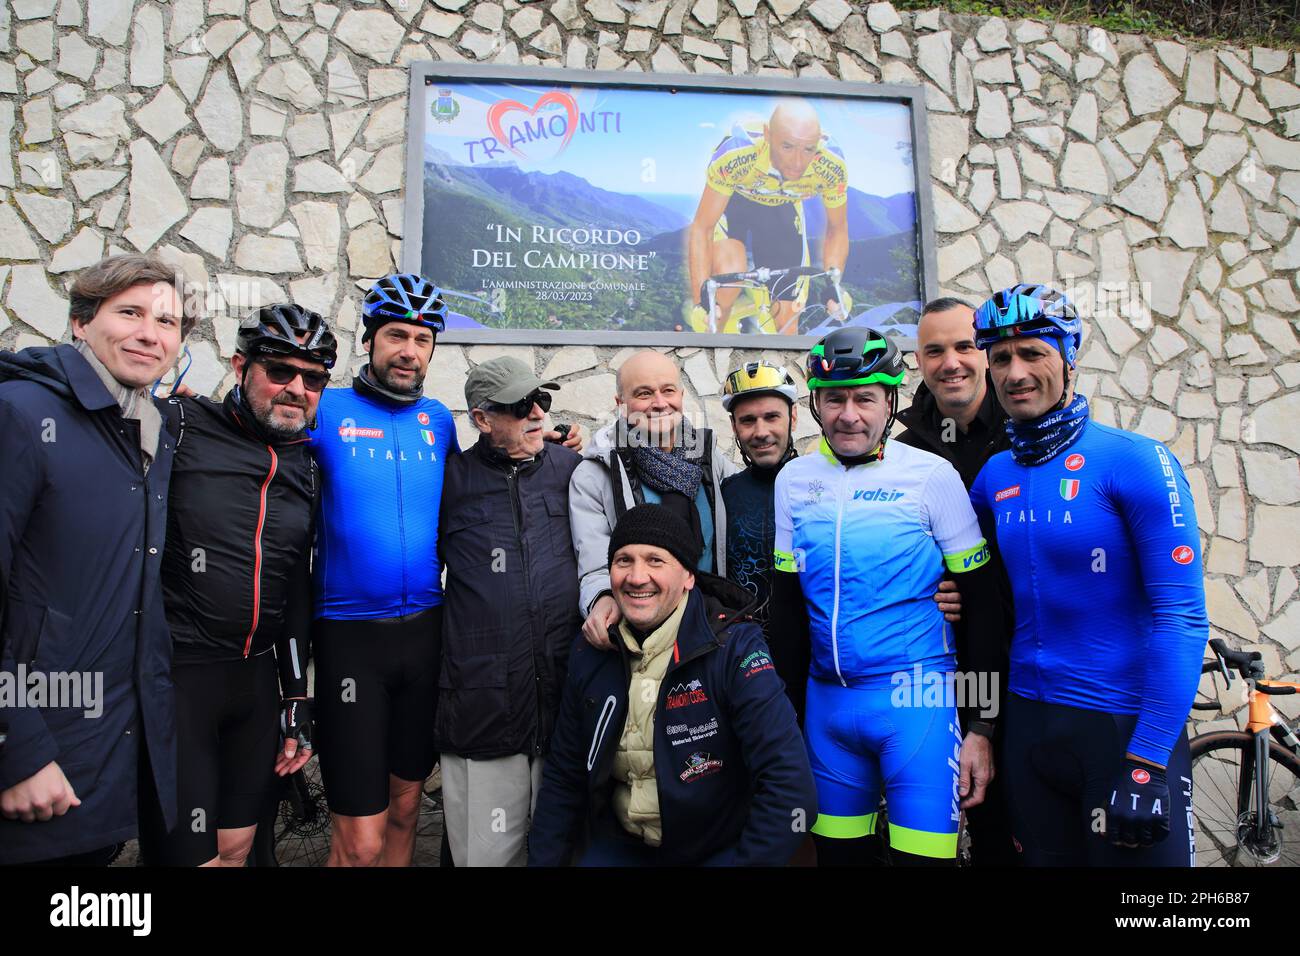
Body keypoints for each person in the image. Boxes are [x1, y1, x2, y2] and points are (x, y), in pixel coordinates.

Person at [309, 273, 580, 867]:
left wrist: (551, 437)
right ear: (371, 340)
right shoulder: (326, 410)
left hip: (424, 636)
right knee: (359, 838)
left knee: (406, 810)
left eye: (423, 339)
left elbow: (497, 467)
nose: (410, 350)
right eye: (397, 336)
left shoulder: (436, 422)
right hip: (348, 638)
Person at [967, 284, 1208, 866]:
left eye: (1033, 353)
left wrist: (1148, 759)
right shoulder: (994, 474)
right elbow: (976, 587)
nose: (1014, 372)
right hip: (1028, 727)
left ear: (1069, 357)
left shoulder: (1137, 461)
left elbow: (1183, 617)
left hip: (1121, 728)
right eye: (1000, 358)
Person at [770, 327, 1006, 867]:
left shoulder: (931, 476)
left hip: (917, 707)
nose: (848, 414)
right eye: (835, 399)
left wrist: (982, 726)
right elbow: (786, 607)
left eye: (864, 398)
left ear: (890, 401)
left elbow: (984, 605)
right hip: (827, 708)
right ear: (815, 403)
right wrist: (785, 716)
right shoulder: (793, 480)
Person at [0, 254, 191, 865]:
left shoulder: (147, 428)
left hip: (102, 753)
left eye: (167, 321)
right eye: (129, 312)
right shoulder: (21, 415)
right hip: (36, 757)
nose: (149, 333)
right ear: (81, 322)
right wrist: (17, 751)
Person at [137, 304, 332, 867]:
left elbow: (295, 582)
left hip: (255, 686)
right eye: (279, 371)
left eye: (313, 377)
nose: (296, 387)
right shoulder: (176, 424)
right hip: (179, 680)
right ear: (240, 364)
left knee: (238, 851)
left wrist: (296, 698)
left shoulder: (305, 463)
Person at [528, 504, 816, 866]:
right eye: (623, 561)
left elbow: (790, 789)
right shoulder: (592, 650)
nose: (637, 577)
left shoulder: (734, 649)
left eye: (655, 561)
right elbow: (564, 778)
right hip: (621, 844)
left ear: (688, 576)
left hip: (717, 850)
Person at [721, 360, 963, 722]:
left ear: (794, 418)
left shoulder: (822, 482)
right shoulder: (723, 493)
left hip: (822, 672)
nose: (761, 431)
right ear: (734, 428)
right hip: (743, 668)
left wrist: (953, 586)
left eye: (772, 417)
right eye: (747, 420)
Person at [436, 357, 582, 867]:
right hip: (484, 705)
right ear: (482, 419)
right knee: (485, 856)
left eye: (541, 400)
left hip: (565, 700)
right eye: (521, 406)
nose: (538, 413)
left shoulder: (573, 469)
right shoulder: (448, 480)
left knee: (563, 850)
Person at [894, 298, 1017, 867]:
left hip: (1035, 656)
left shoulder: (1027, 427)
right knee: (976, 817)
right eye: (934, 350)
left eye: (965, 346)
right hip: (944, 666)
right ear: (918, 360)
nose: (951, 363)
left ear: (985, 351)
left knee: (1030, 824)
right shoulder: (902, 450)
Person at [570, 350, 735, 651]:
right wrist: (602, 599)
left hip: (713, 626)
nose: (659, 402)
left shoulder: (709, 457)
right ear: (621, 404)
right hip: (641, 635)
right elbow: (594, 563)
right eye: (644, 394)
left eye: (668, 390)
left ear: (681, 395)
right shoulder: (594, 473)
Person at [688, 100, 850, 334]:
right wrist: (702, 298)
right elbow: (702, 227)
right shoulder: (737, 152)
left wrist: (833, 285)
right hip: (735, 203)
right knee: (723, 287)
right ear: (767, 135)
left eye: (807, 150)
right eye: (787, 147)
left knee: (787, 322)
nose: (797, 162)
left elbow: (837, 228)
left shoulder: (831, 164)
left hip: (781, 211)